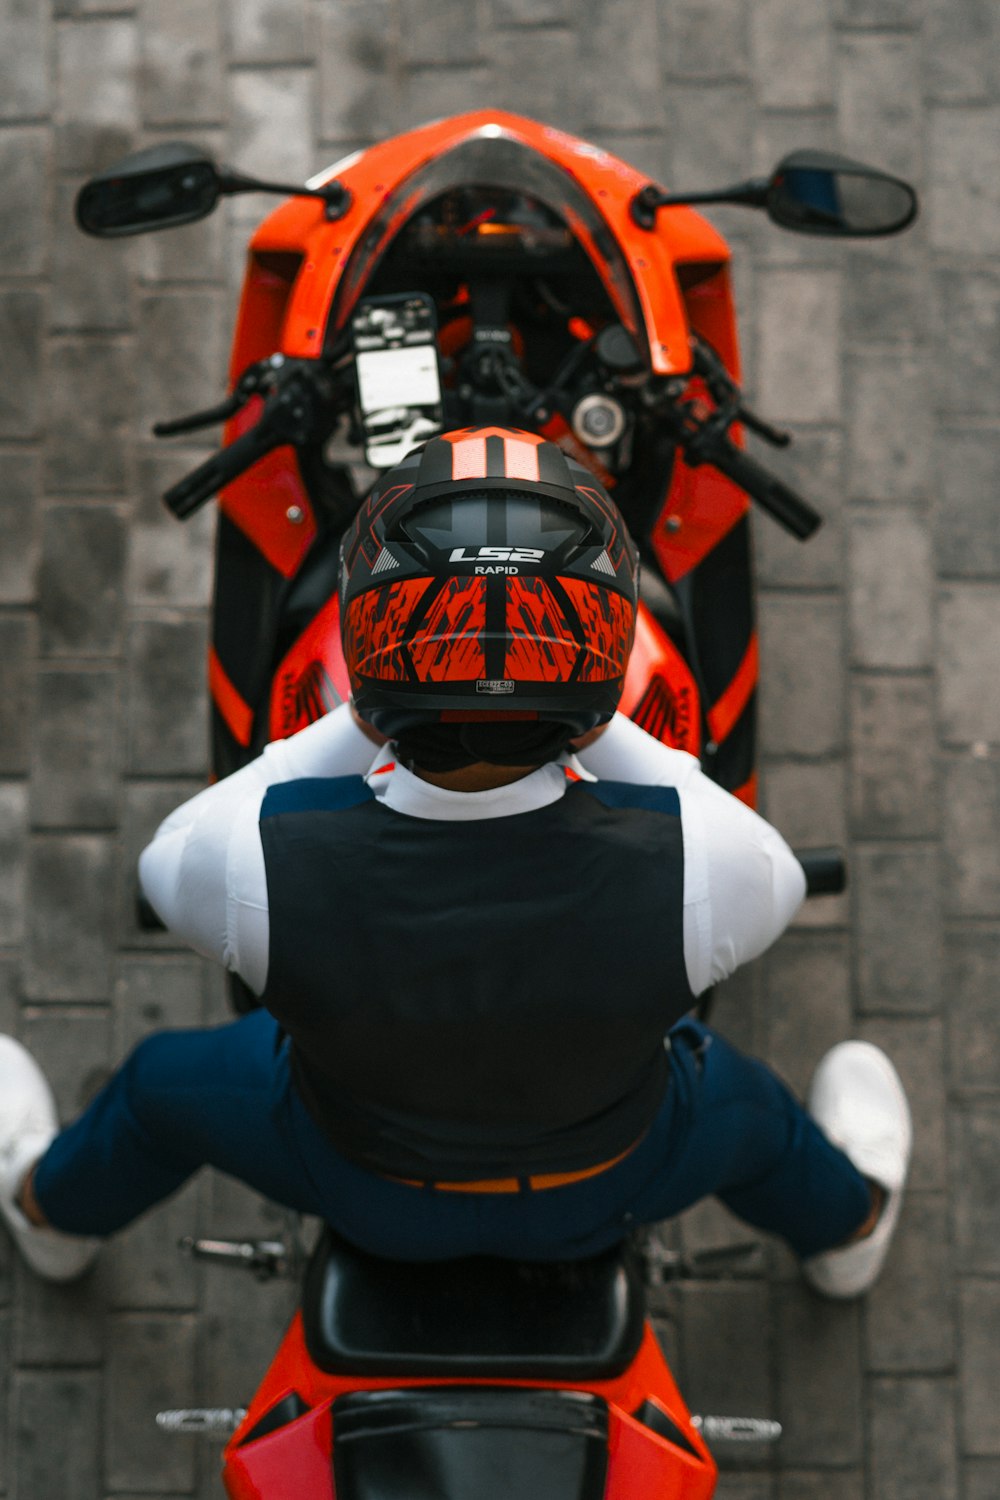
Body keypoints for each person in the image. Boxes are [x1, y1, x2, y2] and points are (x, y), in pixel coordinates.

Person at [0, 430, 910, 1300]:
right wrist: (594, 712)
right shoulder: (709, 868)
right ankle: (851, 1234)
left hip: (359, 1178)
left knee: (161, 1085)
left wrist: (365, 715)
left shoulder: (253, 859)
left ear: (368, 641)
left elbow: (167, 860)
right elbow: (771, 862)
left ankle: (49, 1217)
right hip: (607, 1179)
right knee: (755, 1117)